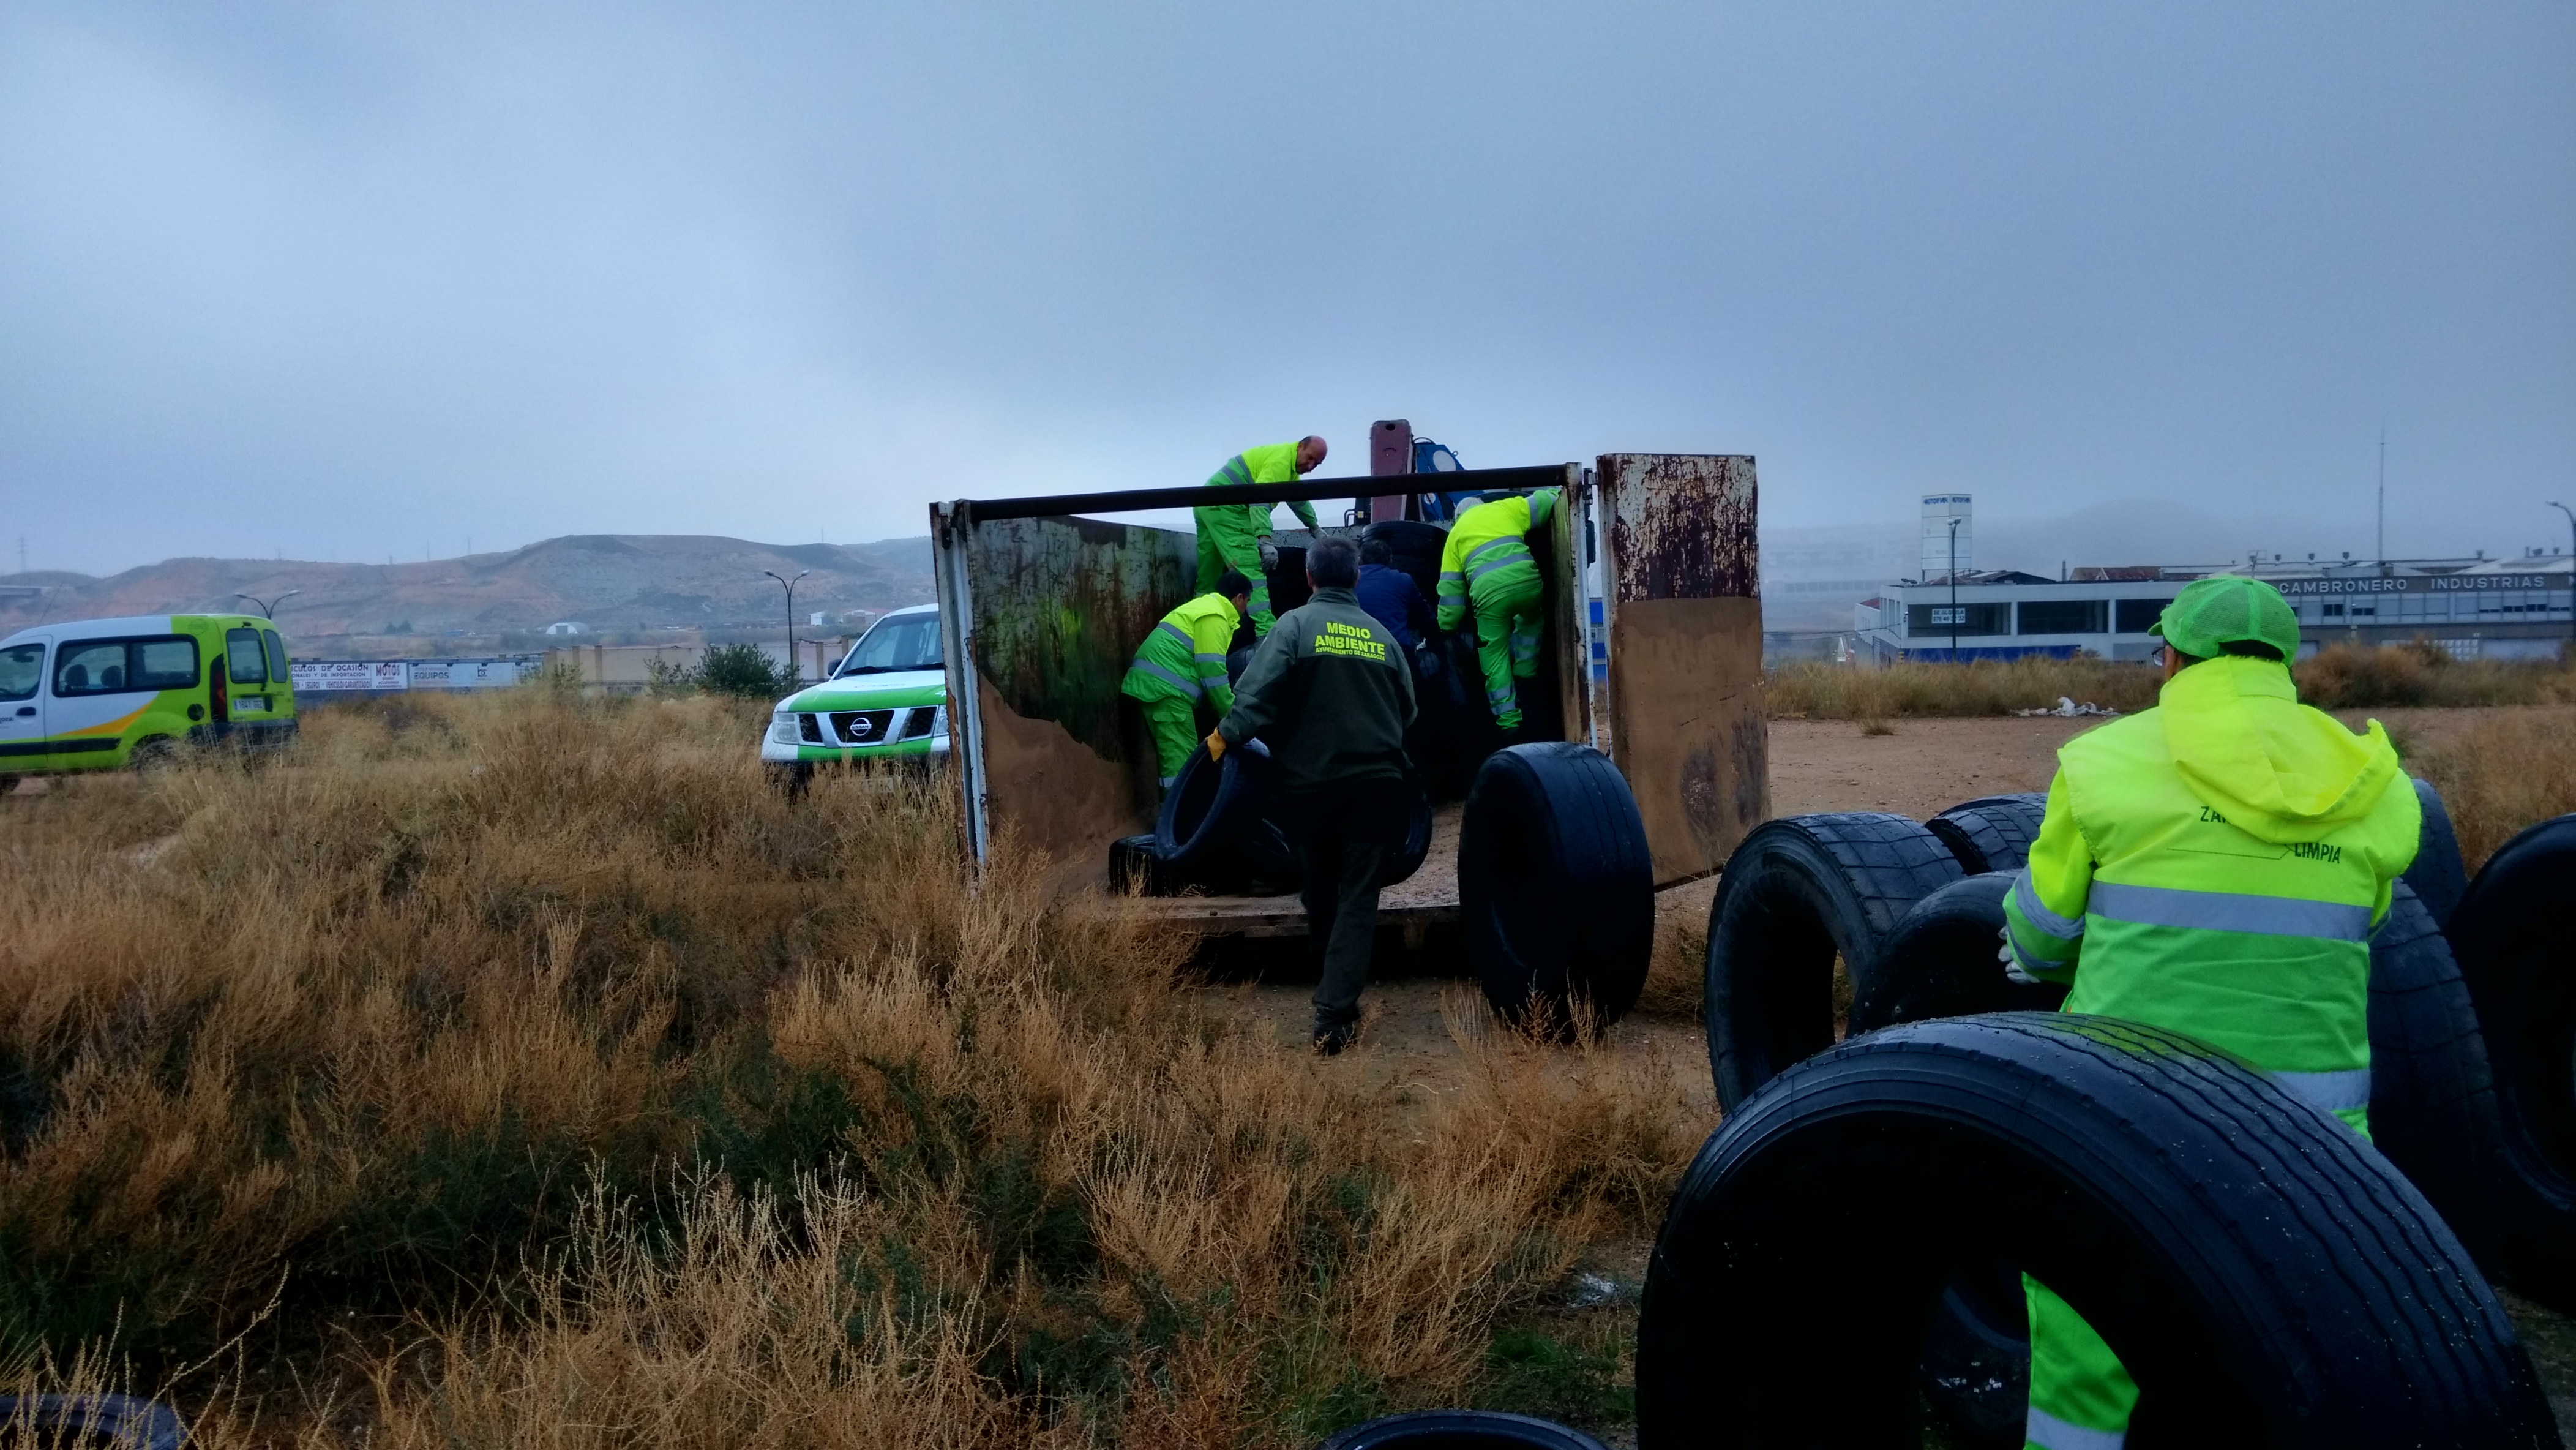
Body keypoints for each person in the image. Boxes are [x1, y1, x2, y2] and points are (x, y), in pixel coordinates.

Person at [2000, 574, 2420, 1450]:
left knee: (2086, 1331)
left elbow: (2041, 938)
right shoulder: (2374, 781)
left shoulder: (2102, 762)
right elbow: (2363, 924)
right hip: (2320, 1146)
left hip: (2126, 1120)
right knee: (2304, 1341)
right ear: (2287, 663)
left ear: (2172, 656)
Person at [1208, 534, 1416, 1054]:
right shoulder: (1382, 637)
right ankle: (1335, 1008)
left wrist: (1222, 738)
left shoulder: (1294, 627)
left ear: (1309, 577)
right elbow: (1409, 712)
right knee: (1356, 898)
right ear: (1357, 578)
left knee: (1321, 890)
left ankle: (1333, 1004)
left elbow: (1254, 697)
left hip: (1310, 791)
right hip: (1377, 789)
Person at [1434, 489, 1556, 734]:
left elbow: (1451, 591)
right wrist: (1559, 490)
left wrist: (1447, 626)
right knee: (1530, 622)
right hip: (1528, 584)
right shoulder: (1505, 507)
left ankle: (1508, 722)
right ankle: (1525, 676)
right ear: (1480, 505)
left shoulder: (1456, 534)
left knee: (1495, 654)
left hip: (1490, 597)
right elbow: (1544, 502)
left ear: (1458, 517)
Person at [1120, 571, 1253, 792]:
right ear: (1239, 598)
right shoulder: (1216, 616)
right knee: (1180, 766)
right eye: (1247, 600)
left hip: (1157, 686)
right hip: (1166, 691)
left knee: (1175, 761)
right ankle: (1178, 814)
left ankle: (1173, 810)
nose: (1247, 607)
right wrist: (1231, 714)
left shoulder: (1205, 607)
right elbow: (1212, 671)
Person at [1196, 437, 1328, 637]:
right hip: (1228, 508)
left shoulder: (1288, 466)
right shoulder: (1280, 463)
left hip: (1206, 502)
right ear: (1300, 446)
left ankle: (1198, 624)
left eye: (1316, 464)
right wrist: (1265, 541)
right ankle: (1266, 634)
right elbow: (1260, 499)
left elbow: (1299, 500)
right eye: (1309, 458)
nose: (1310, 466)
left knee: (1209, 574)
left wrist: (1315, 527)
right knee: (1251, 569)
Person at [1355, 536, 1437, 667]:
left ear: (1361, 559)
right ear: (1391, 560)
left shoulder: (1350, 580)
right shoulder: (1404, 580)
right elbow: (1427, 618)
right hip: (1396, 652)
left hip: (1358, 651)